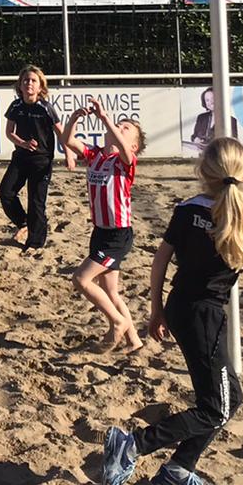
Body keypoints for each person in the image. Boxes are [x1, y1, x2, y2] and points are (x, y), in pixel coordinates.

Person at [101, 136, 243, 485]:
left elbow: (160, 261)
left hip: (181, 308)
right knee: (217, 406)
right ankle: (132, 444)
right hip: (206, 319)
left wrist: (157, 308)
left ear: (203, 172)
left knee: (228, 398)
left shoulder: (186, 210)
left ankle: (179, 469)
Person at [59, 96, 143, 350]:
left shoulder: (125, 162)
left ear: (134, 145)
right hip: (100, 231)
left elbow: (124, 149)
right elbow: (68, 141)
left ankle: (117, 323)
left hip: (118, 234)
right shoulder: (96, 155)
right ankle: (135, 342)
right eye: (119, 125)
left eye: (125, 128)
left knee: (81, 280)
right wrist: (75, 118)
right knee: (110, 292)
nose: (119, 128)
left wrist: (106, 118)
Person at [0, 65, 64, 250]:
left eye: (33, 80)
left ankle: (35, 244)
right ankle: (24, 223)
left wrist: (69, 154)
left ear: (40, 86)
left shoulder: (46, 108)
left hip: (41, 160)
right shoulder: (16, 106)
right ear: (20, 85)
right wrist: (23, 143)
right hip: (20, 157)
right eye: (26, 80)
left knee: (36, 202)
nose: (29, 83)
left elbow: (61, 133)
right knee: (5, 192)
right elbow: (9, 132)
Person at [185, 87, 238, 155]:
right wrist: (196, 139)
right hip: (204, 156)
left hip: (221, 156)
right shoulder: (201, 118)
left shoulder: (231, 120)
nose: (211, 102)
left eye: (213, 98)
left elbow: (233, 141)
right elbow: (194, 136)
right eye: (207, 100)